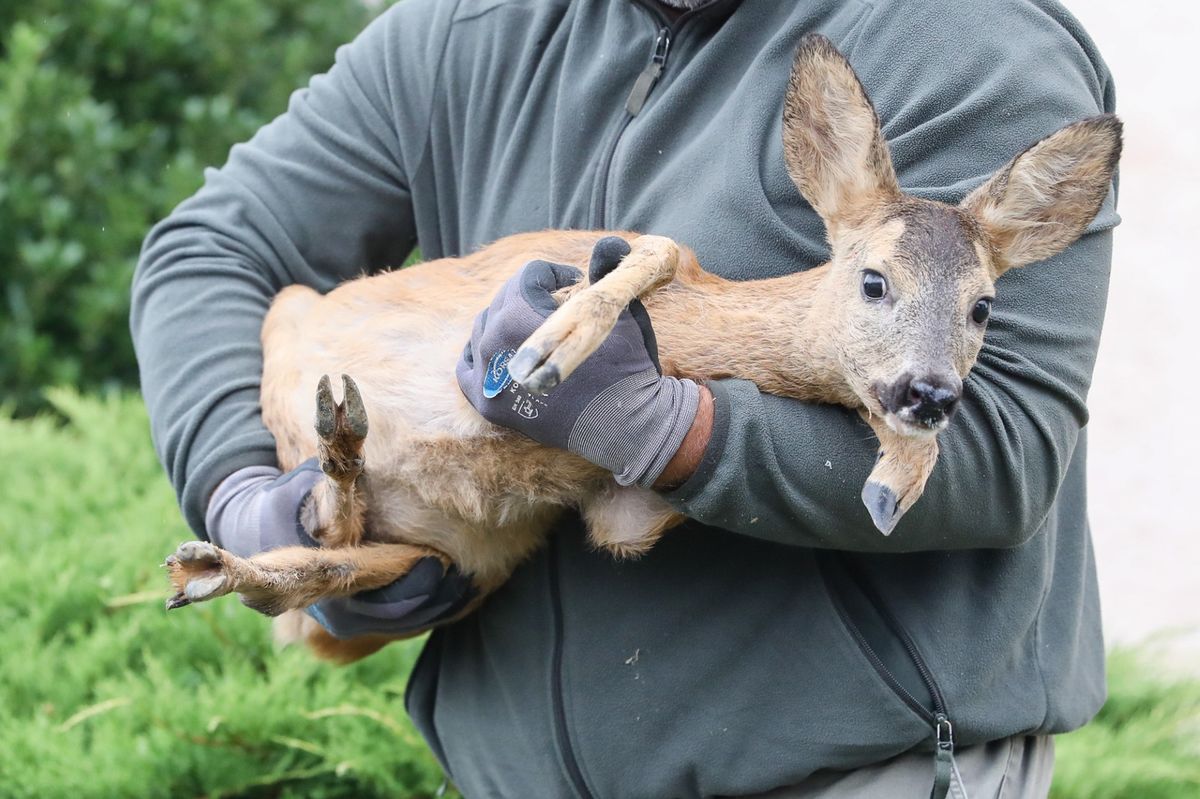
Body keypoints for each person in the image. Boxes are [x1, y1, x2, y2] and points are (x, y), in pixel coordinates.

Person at [130, 0, 1118, 796]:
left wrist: (666, 431)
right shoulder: (470, 31)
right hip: (504, 775)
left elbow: (997, 448)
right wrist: (239, 492)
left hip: (850, 772)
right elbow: (210, 249)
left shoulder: (966, 39)